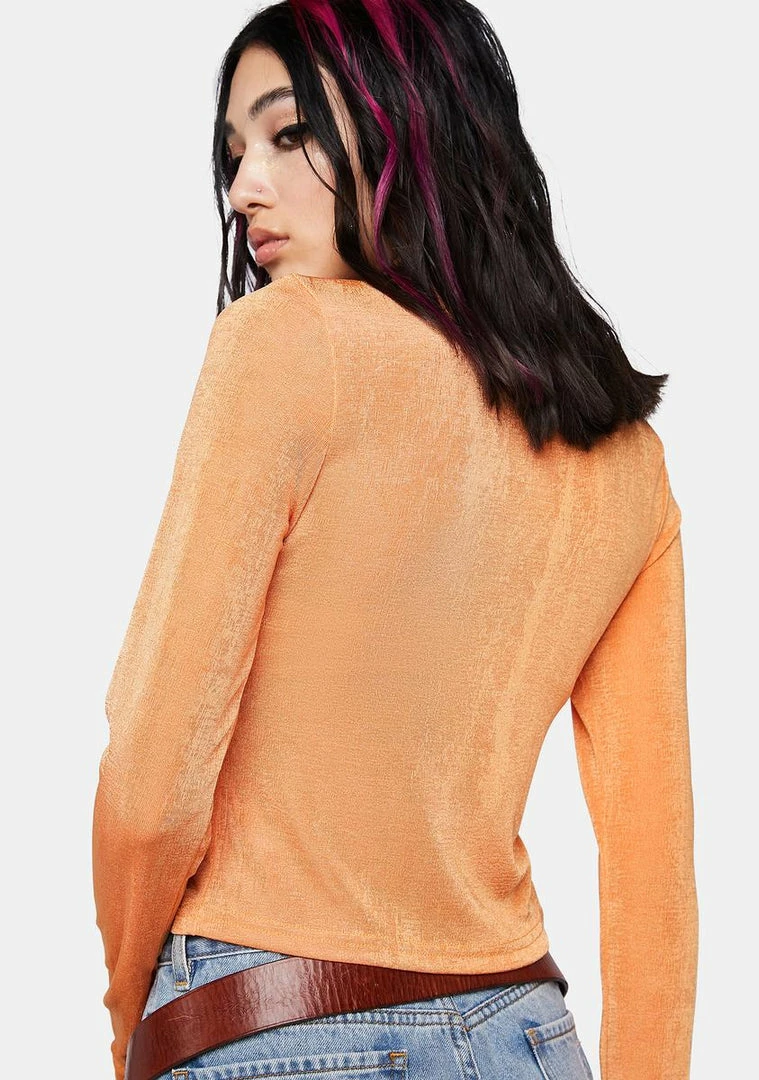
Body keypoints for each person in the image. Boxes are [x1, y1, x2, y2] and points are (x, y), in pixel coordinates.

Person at [91, 2, 698, 1079]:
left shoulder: (282, 344)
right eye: (234, 154)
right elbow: (652, 856)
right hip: (527, 1035)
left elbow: (154, 777)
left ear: (405, 122)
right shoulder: (627, 459)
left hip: (272, 1018)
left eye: (288, 134)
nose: (243, 188)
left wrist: (135, 1009)